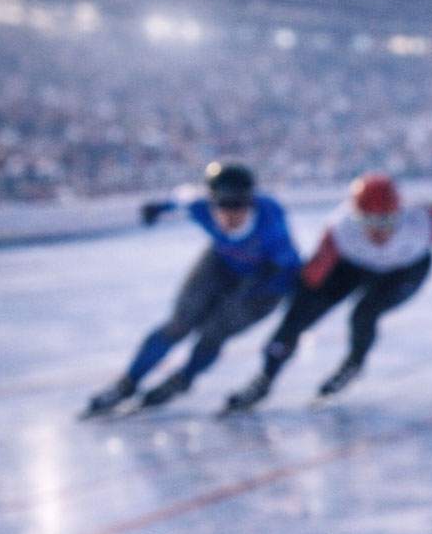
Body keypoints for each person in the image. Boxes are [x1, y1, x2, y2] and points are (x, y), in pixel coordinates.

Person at [222, 172, 432, 412]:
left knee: (364, 314)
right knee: (297, 318)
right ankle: (264, 379)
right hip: (352, 266)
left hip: (405, 270)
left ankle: (353, 364)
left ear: (399, 212)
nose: (377, 232)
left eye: (386, 220)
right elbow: (311, 279)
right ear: (355, 214)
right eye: (368, 221)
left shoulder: (421, 221)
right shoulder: (342, 227)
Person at [83, 161, 300, 416]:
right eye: (222, 205)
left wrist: (265, 291)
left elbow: (291, 268)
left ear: (251, 202)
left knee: (213, 333)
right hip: (222, 262)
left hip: (265, 282)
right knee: (178, 324)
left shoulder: (271, 223)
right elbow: (181, 197)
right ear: (211, 202)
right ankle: (127, 383)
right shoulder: (200, 206)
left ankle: (184, 378)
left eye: (238, 205)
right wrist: (158, 208)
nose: (230, 214)